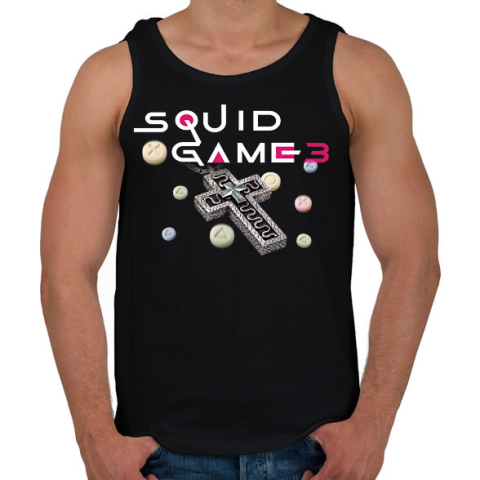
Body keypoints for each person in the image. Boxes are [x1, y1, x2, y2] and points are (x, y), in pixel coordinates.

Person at [40, 1, 440, 479]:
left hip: (319, 450)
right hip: (157, 453)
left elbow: (413, 257)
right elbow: (66, 268)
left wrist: (373, 425)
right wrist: (94, 436)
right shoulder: (112, 76)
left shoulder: (357, 70)